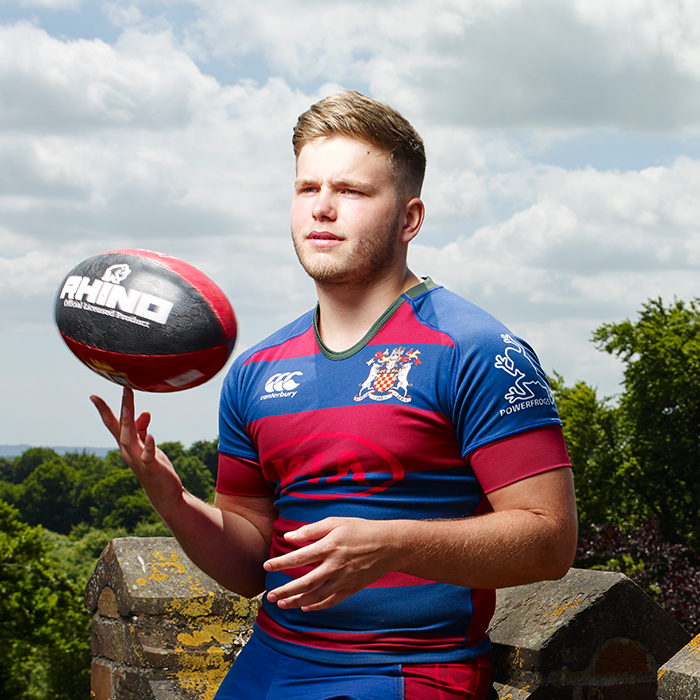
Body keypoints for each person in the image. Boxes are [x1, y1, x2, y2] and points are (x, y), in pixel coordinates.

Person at [91, 90, 577, 700]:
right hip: (269, 663)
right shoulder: (256, 371)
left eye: (350, 191)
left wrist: (393, 543)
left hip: (409, 671)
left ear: (410, 218)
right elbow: (250, 566)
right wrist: (173, 498)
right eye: (306, 189)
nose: (322, 209)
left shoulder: (477, 349)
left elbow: (549, 541)